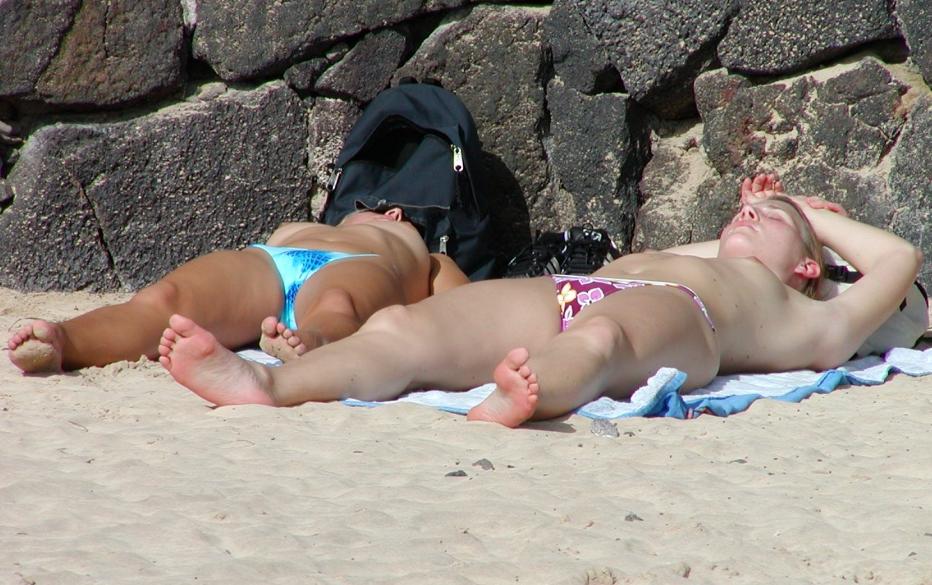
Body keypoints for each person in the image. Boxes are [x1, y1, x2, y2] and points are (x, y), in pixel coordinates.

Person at [156, 182, 922, 427]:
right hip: (573, 291)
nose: (748, 212)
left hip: (683, 318)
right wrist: (766, 219)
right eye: (742, 210)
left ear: (808, 264)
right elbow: (717, 246)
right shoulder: (701, 256)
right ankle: (269, 384)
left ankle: (527, 393)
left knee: (601, 340)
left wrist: (810, 213)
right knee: (400, 327)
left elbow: (901, 263)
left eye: (769, 218)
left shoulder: (816, 314)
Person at [6, 206, 469, 373]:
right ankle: (65, 339)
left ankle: (313, 341)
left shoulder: (422, 251)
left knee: (337, 305)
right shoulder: (309, 226)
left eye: (363, 206)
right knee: (165, 299)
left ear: (393, 213)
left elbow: (465, 309)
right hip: (270, 262)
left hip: (358, 266)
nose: (351, 212)